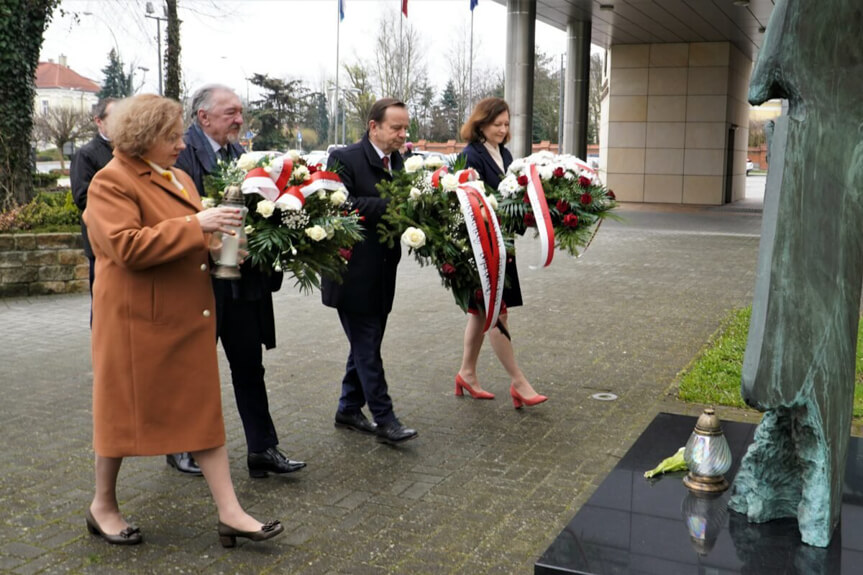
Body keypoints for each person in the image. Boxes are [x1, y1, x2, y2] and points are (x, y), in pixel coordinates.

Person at [83, 94, 283, 547]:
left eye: (178, 136)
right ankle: (103, 505)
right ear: (143, 137)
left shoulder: (179, 178)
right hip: (134, 324)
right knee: (120, 416)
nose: (180, 144)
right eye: (171, 137)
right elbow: (126, 246)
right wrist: (200, 225)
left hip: (184, 318)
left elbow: (191, 238)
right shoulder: (109, 182)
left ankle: (230, 511)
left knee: (202, 412)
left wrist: (224, 245)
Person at [175, 84, 305, 478]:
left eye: (240, 112)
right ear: (204, 117)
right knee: (194, 368)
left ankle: (262, 448)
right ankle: (182, 446)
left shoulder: (240, 155)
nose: (239, 119)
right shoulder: (181, 155)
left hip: (242, 284)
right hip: (199, 283)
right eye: (230, 112)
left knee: (250, 364)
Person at [324, 98, 418, 445]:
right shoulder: (344, 158)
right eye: (396, 128)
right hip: (350, 271)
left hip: (382, 270)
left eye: (406, 128)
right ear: (373, 126)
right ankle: (385, 418)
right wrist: (393, 205)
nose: (402, 134)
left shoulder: (398, 160)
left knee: (367, 342)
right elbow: (341, 204)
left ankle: (348, 408)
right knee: (367, 346)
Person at [456, 97, 547, 409]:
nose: (503, 129)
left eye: (507, 124)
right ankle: (519, 382)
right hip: (482, 251)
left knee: (481, 312)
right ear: (481, 123)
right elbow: (473, 204)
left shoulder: (505, 153)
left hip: (502, 245)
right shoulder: (470, 156)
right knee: (497, 311)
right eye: (498, 124)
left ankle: (466, 373)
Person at [71, 97, 115, 295]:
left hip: (124, 238)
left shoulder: (130, 150)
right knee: (102, 301)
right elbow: (82, 197)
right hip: (99, 238)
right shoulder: (86, 154)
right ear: (99, 121)